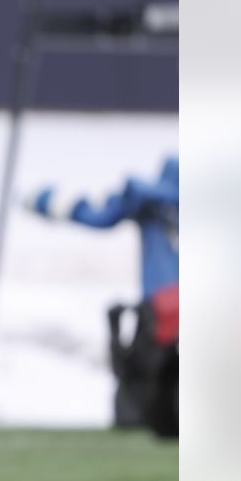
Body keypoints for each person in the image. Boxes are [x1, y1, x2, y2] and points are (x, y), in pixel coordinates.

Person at [25, 156, 179, 437]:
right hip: (173, 305)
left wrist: (44, 201)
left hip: (163, 304)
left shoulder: (149, 198)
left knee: (155, 372)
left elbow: (99, 216)